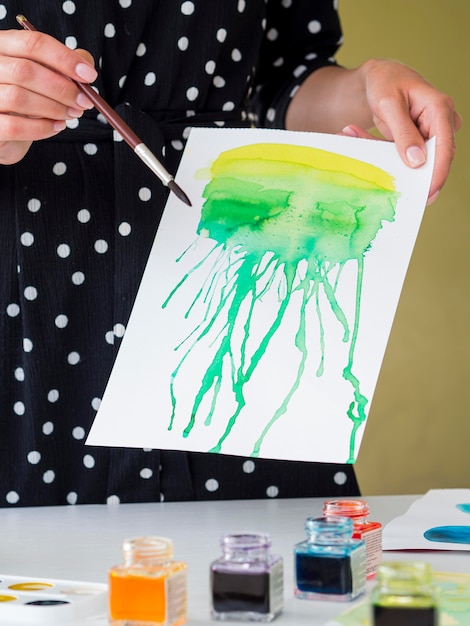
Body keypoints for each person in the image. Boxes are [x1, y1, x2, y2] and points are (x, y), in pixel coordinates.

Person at [0, 2, 460, 507]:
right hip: (28, 295)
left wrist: (369, 86)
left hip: (226, 238)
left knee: (269, 568)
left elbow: (280, 84)